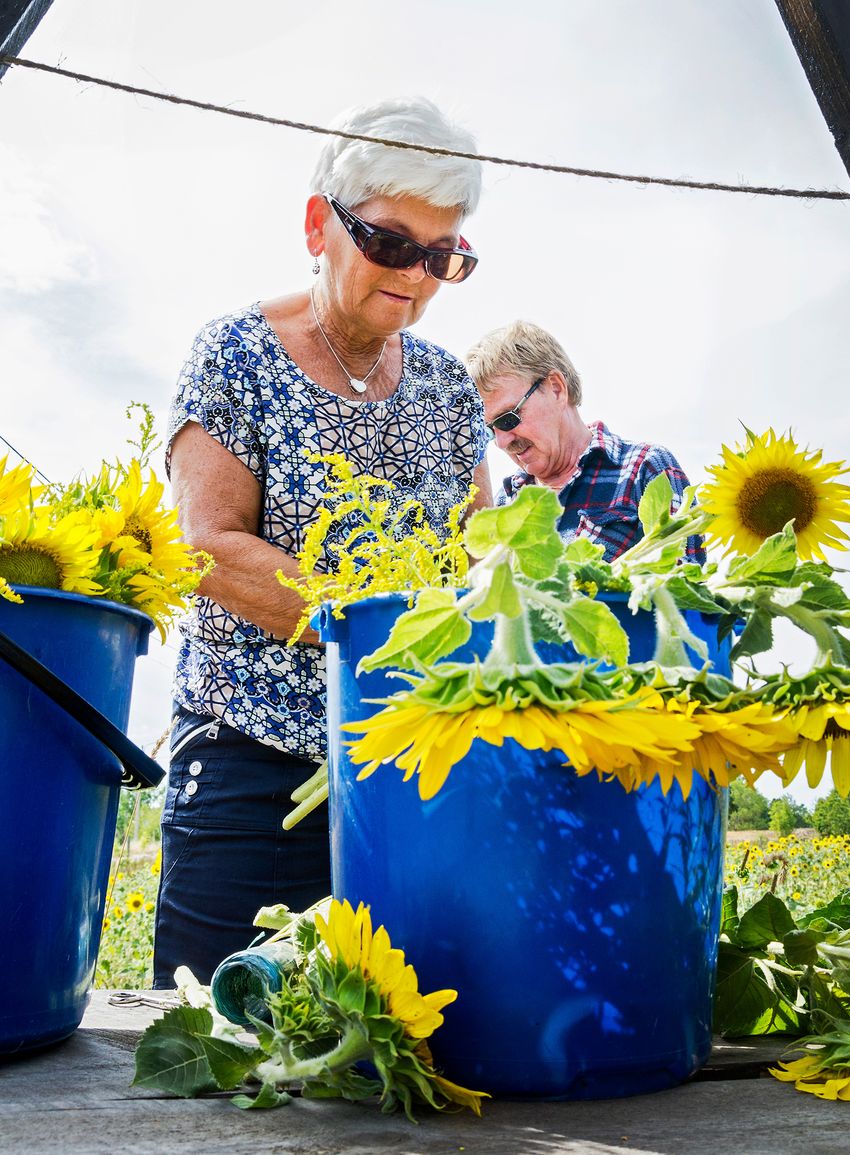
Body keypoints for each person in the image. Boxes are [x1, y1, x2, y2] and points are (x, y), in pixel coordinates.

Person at [154, 98, 491, 987]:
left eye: (442, 254)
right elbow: (210, 544)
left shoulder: (449, 389)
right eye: (391, 243)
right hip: (253, 769)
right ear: (320, 224)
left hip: (410, 770)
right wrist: (379, 631)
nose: (415, 275)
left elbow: (486, 560)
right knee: (219, 1042)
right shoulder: (237, 354)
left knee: (392, 1050)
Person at [465, 320, 704, 563]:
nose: (502, 442)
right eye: (490, 430)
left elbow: (686, 583)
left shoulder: (645, 468)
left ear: (557, 389)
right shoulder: (506, 501)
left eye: (508, 419)